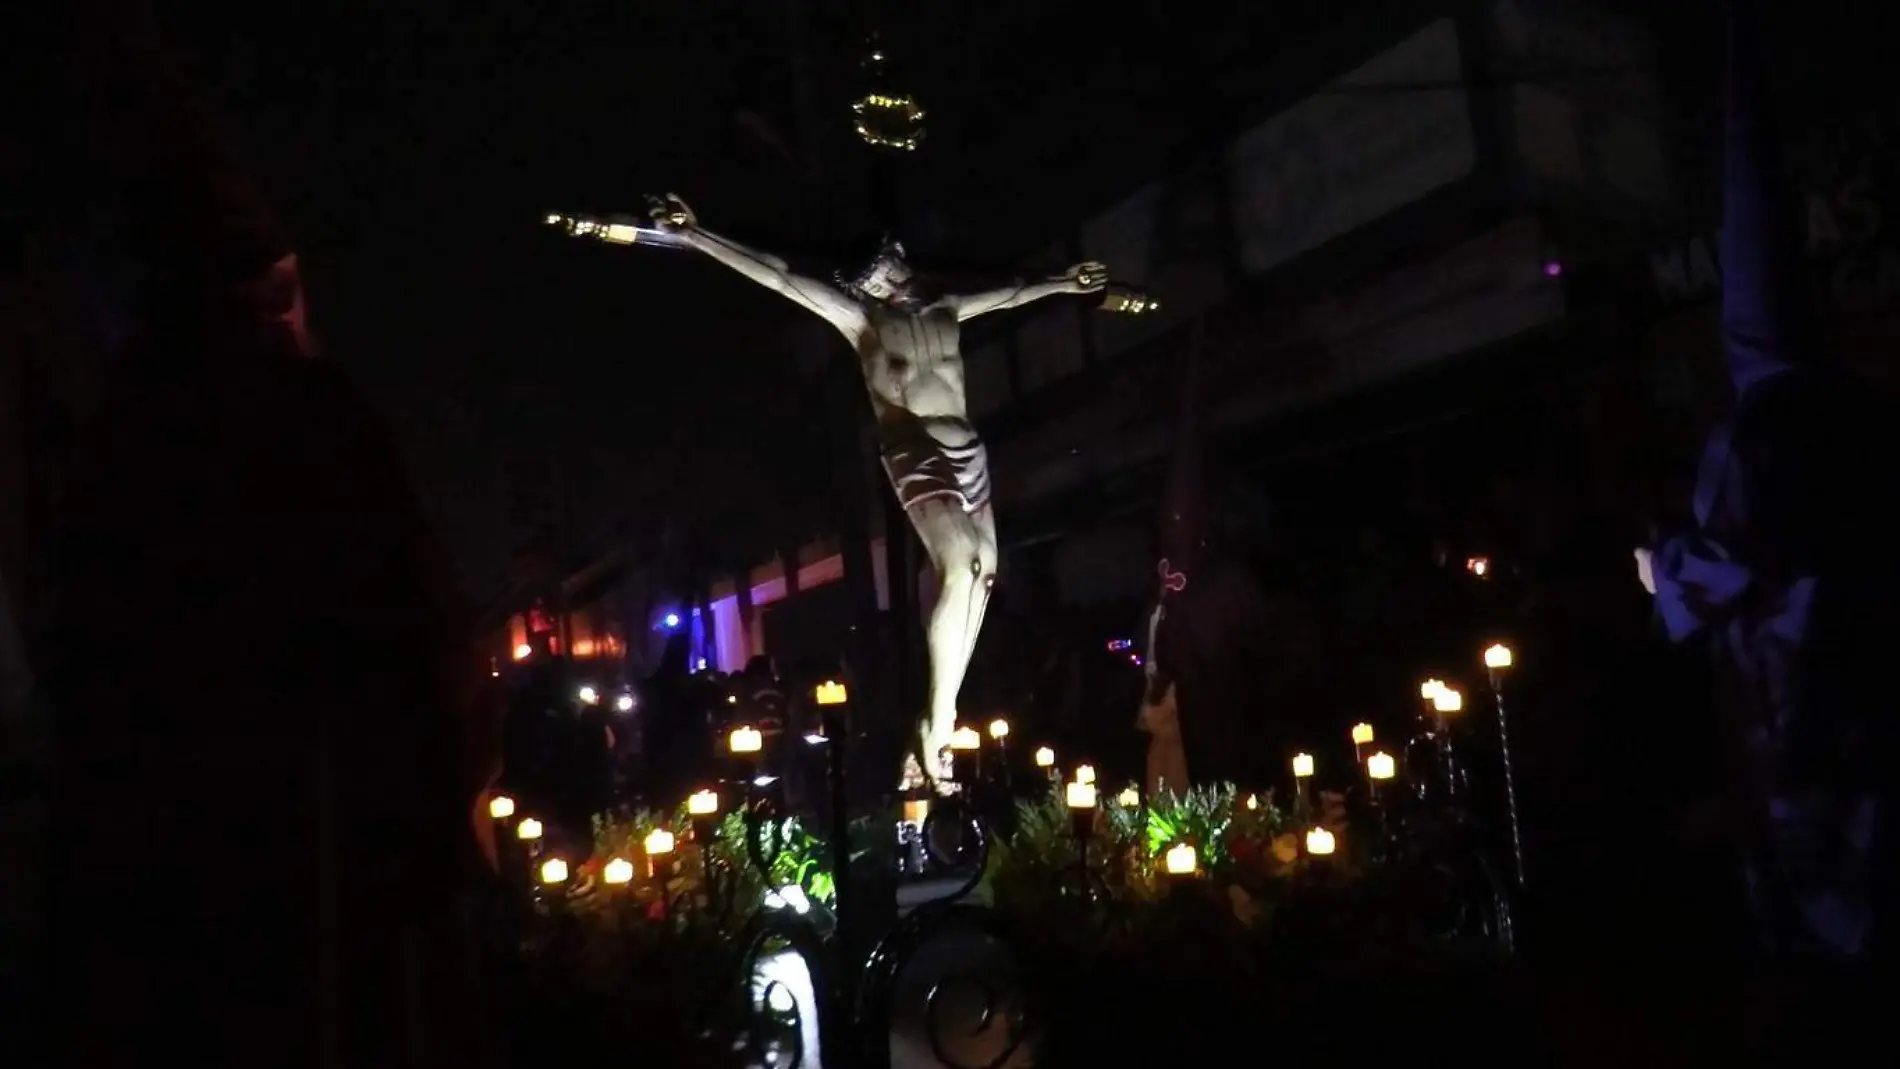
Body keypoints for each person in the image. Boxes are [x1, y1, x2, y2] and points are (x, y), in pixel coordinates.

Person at [44, 4, 499, 1064]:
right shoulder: (303, 417)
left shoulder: (120, 438)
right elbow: (425, 643)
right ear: (265, 288)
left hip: (159, 895)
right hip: (326, 853)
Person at [649, 194, 1106, 781]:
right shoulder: (861, 320)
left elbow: (1015, 293)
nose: (900, 271)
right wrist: (699, 234)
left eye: (900, 261)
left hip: (968, 449)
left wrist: (1064, 283)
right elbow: (781, 278)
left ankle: (939, 715)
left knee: (985, 576)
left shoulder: (946, 308)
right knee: (961, 561)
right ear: (867, 280)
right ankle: (938, 721)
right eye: (886, 267)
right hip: (913, 447)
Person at [1637, 0, 1894, 966]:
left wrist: (1659, 570)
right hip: (1853, 694)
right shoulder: (1859, 405)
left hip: (1813, 711)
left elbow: (1735, 560)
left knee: (1834, 915)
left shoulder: (1772, 423)